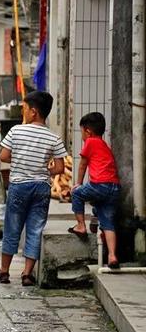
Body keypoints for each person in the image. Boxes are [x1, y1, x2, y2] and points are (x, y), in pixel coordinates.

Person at [0, 91, 67, 287]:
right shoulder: (54, 137)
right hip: (41, 187)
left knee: (12, 228)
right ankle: (27, 274)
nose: (23, 112)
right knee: (35, 229)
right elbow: (59, 168)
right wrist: (45, 168)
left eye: (24, 108)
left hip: (19, 186)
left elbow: (4, 157)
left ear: (33, 112)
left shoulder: (16, 131)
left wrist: (21, 160)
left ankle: (5, 272)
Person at [69, 112, 121, 268]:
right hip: (114, 187)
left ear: (87, 131)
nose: (82, 137)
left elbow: (83, 164)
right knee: (108, 222)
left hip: (100, 185)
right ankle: (112, 256)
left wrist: (77, 183)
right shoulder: (104, 145)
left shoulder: (90, 142)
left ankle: (80, 226)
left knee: (77, 194)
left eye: (81, 133)